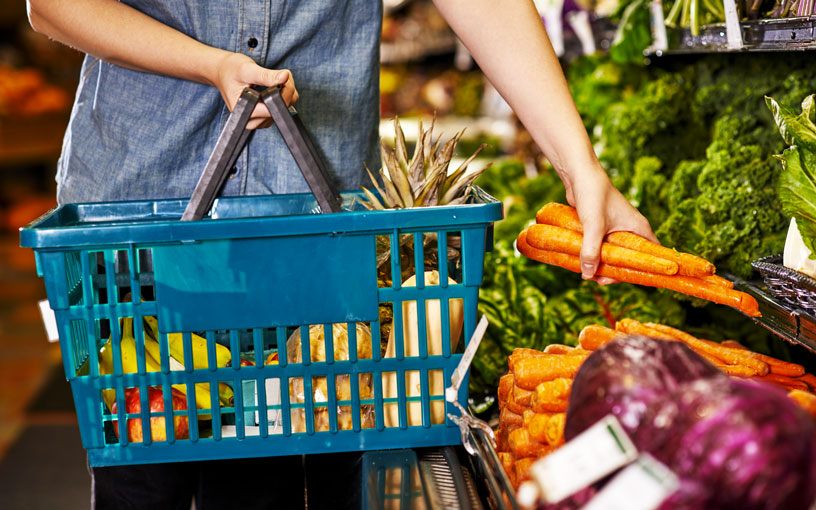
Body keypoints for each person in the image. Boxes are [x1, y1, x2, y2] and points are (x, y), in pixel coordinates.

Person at [27, 0, 657, 508]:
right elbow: (52, 6)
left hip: (312, 234)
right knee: (141, 474)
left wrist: (580, 169)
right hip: (137, 224)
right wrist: (208, 65)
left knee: (281, 479)